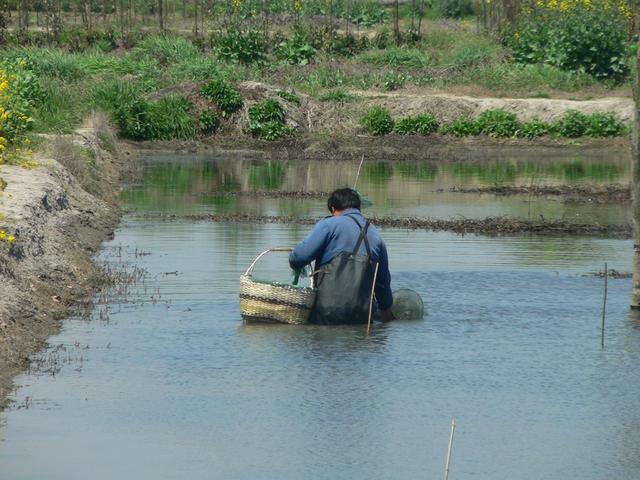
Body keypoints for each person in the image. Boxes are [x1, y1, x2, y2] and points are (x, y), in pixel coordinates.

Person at [289, 188, 394, 325]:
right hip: (362, 317)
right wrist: (386, 310)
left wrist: (293, 259)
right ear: (358, 207)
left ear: (333, 209)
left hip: (325, 314)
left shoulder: (328, 225)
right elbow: (382, 285)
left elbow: (299, 257)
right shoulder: (376, 236)